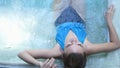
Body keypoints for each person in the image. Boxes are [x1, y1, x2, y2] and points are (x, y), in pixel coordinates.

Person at [18, 1, 120, 68]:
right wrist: (109, 21)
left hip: (60, 16)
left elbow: (22, 53)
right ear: (84, 51)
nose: (74, 41)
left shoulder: (56, 51)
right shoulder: (88, 47)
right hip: (79, 16)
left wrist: (39, 64)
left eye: (69, 44)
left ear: (63, 54)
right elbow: (116, 44)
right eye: (79, 44)